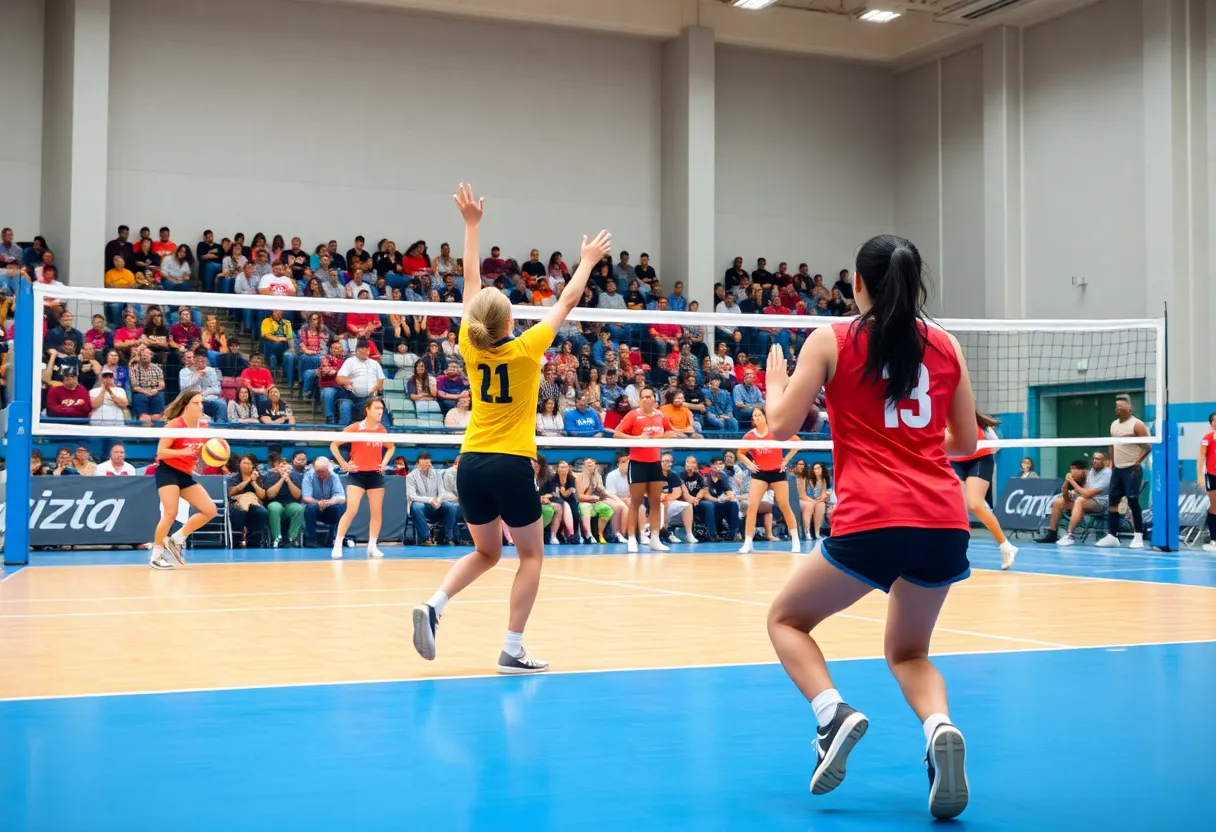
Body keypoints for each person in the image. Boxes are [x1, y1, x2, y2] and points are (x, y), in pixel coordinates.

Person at [760, 234, 979, 820]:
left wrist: (774, 382)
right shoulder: (947, 344)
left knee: (786, 619)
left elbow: (779, 428)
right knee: (909, 651)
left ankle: (832, 716)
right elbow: (966, 442)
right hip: (942, 518)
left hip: (873, 518)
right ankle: (939, 729)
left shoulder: (831, 340)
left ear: (856, 283)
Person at [412, 183, 611, 675]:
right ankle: (512, 647)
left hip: (470, 463)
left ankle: (435, 604)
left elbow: (469, 281)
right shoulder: (527, 350)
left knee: (485, 552)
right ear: (510, 320)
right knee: (531, 557)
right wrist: (586, 260)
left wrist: (471, 225)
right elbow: (565, 300)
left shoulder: (468, 344)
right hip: (511, 462)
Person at [148, 390, 219, 569]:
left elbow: (202, 452)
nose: (200, 406)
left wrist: (210, 458)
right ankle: (156, 556)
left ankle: (177, 539)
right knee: (171, 512)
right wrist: (183, 452)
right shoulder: (175, 425)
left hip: (185, 474)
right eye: (196, 403)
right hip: (167, 470)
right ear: (186, 406)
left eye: (201, 403)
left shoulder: (203, 427)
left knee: (210, 510)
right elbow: (161, 452)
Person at [613, 386, 678, 553]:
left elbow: (670, 430)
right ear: (640, 399)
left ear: (654, 399)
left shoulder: (660, 415)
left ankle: (655, 538)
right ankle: (632, 539)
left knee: (656, 502)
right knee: (635, 502)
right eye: (644, 397)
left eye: (650, 396)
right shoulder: (633, 415)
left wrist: (671, 434)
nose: (647, 399)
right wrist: (636, 438)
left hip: (655, 463)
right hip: (637, 464)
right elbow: (617, 434)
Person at [949, 411, 1018, 570]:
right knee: (956, 504)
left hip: (979, 460)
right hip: (955, 461)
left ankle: (1006, 546)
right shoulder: (935, 417)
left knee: (974, 504)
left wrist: (977, 448)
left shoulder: (975, 421)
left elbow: (996, 445)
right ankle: (957, 550)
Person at [328, 397, 394, 559]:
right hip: (357, 474)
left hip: (375, 475)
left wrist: (384, 463)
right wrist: (343, 463)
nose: (380, 411)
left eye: (381, 409)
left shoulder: (381, 430)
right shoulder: (355, 428)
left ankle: (372, 546)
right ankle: (337, 545)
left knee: (377, 512)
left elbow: (391, 447)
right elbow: (333, 445)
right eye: (377, 408)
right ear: (368, 410)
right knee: (352, 509)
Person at [737, 406, 801, 554]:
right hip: (760, 474)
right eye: (755, 416)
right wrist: (750, 464)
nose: (757, 418)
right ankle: (748, 543)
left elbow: (797, 443)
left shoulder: (776, 431)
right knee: (752, 506)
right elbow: (740, 453)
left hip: (777, 473)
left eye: (759, 415)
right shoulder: (749, 436)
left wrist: (786, 460)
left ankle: (796, 541)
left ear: (765, 416)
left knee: (784, 505)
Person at [1097, 395, 1149, 548]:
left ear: (1130, 409)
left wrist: (1137, 464)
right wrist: (1112, 464)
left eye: (1122, 406)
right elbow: (1112, 445)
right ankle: (1112, 536)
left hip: (1132, 468)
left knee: (1133, 501)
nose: (1118, 408)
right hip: (1117, 469)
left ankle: (1138, 536)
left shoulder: (1137, 424)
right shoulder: (1113, 425)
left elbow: (1148, 447)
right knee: (1113, 502)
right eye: (1117, 406)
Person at [1198, 412, 1216, 552]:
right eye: (1214, 420)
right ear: (1211, 423)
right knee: (1215, 506)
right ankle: (1214, 540)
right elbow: (1201, 457)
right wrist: (1200, 477)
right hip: (1212, 475)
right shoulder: (1207, 438)